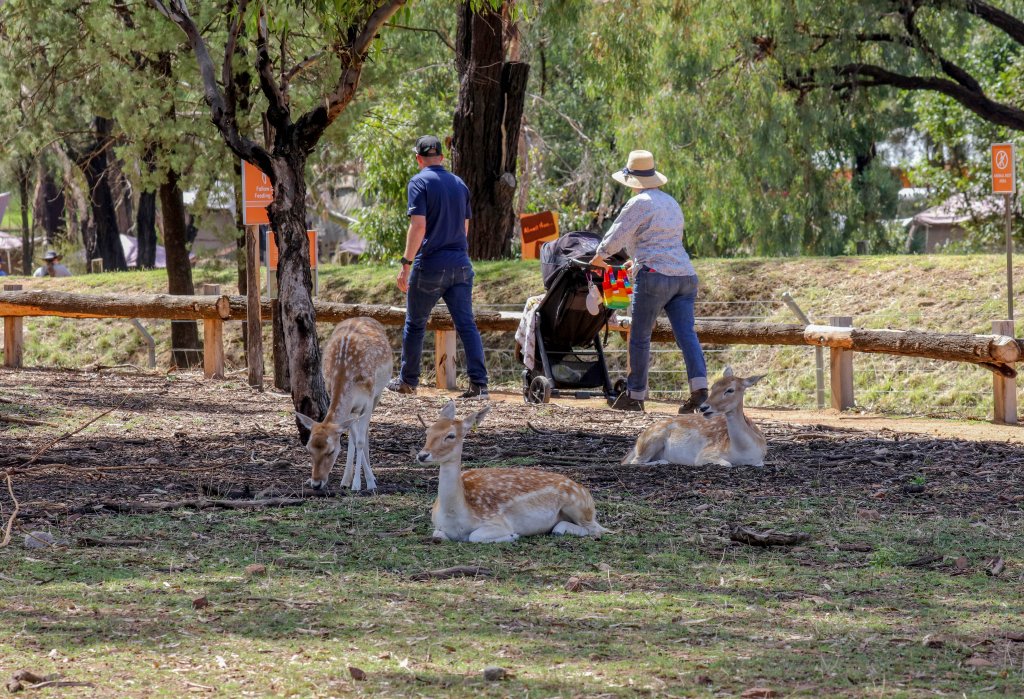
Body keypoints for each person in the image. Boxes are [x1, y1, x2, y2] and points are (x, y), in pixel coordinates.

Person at [590, 150, 708, 413]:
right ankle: (700, 392)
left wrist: (599, 258)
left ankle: (635, 395)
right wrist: (637, 259)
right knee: (687, 335)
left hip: (654, 276)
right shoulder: (671, 203)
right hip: (685, 276)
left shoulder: (638, 202)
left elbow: (616, 234)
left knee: (640, 335)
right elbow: (664, 241)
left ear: (630, 180)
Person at [388, 135, 489, 399]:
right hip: (460, 265)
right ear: (442, 158)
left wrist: (406, 264)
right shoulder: (460, 184)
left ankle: (408, 381)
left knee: (415, 323)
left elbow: (418, 226)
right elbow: (465, 228)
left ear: (418, 159)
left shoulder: (418, 181)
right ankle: (479, 385)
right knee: (467, 324)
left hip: (431, 264)